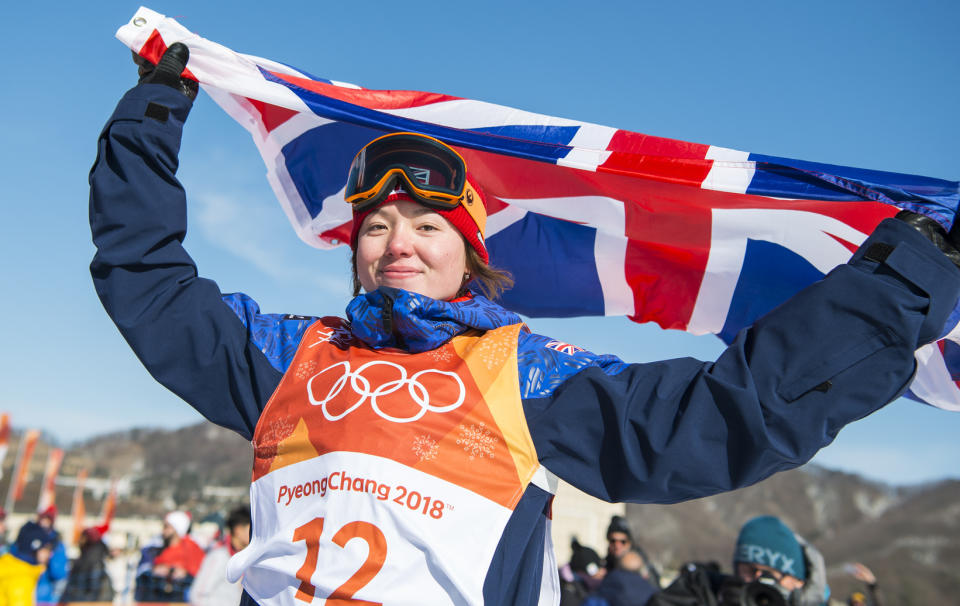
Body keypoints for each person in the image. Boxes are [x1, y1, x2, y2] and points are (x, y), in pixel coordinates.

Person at [89, 43, 960, 606]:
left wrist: (905, 279)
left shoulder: (525, 372)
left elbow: (732, 412)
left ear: (470, 254)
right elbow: (148, 282)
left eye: (428, 226)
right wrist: (153, 116)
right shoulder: (292, 356)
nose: (397, 244)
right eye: (377, 227)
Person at [646, 515, 829, 606]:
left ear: (797, 581)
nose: (758, 580)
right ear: (735, 568)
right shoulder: (701, 588)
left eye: (771, 575)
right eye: (750, 570)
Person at [135, 511, 204, 602]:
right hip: (155, 597)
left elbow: (200, 577)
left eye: (167, 527)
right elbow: (141, 572)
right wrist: (154, 570)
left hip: (180, 598)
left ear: (176, 528)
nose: (163, 530)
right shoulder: (155, 548)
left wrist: (184, 574)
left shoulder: (192, 549)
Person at [190, 505, 251, 606]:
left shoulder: (243, 559)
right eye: (251, 528)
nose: (254, 533)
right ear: (238, 529)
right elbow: (197, 596)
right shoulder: (219, 556)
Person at [8, 509, 66, 606]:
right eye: (43, 518)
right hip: (31, 590)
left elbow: (59, 573)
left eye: (47, 519)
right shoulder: (28, 538)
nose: (44, 522)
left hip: (43, 595)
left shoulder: (56, 544)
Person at [0, 523, 56, 606]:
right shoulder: (21, 578)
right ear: (35, 548)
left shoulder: (9, 565)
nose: (49, 554)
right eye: (46, 548)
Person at [60, 527, 114, 603]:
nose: (79, 541)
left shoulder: (93, 560)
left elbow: (94, 590)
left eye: (82, 538)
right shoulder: (86, 557)